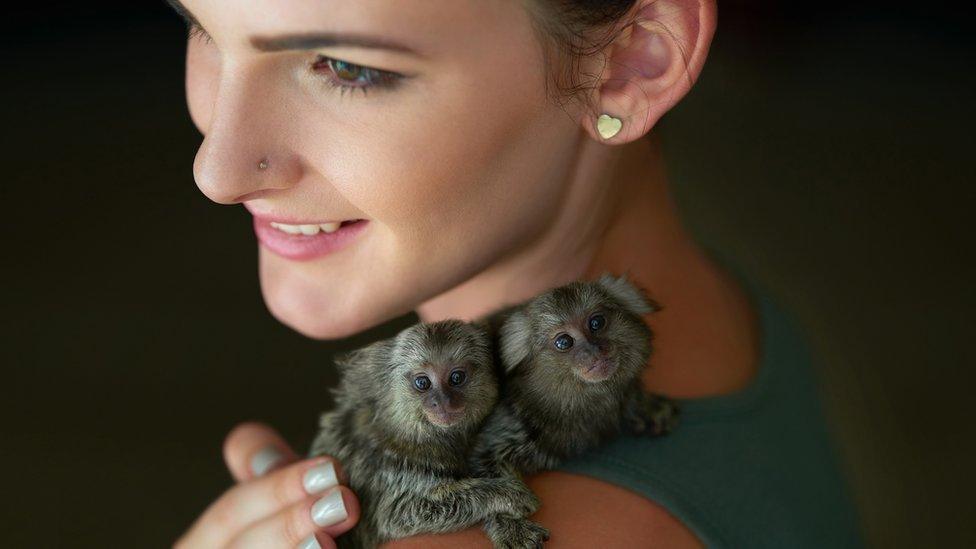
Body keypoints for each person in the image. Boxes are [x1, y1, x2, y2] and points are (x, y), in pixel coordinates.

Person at [168, 0, 864, 547]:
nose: (216, 169)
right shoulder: (704, 306)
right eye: (200, 25)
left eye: (344, 66)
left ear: (631, 62)